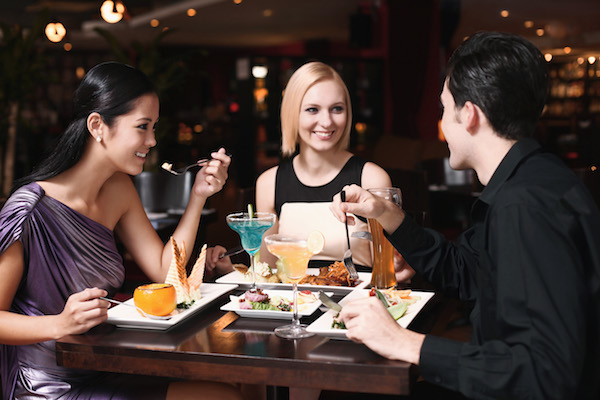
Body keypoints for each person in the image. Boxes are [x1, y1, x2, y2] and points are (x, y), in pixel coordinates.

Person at [330, 32, 600, 399]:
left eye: (444, 108)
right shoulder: (531, 180)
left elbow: (546, 374)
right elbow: (467, 271)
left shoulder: (526, 206)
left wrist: (407, 344)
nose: (442, 125)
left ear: (469, 114)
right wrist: (387, 215)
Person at [0, 62, 242, 400]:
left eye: (154, 127)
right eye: (142, 127)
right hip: (47, 385)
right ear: (97, 125)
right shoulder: (29, 209)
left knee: (225, 393)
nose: (152, 140)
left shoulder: (119, 188)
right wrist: (59, 324)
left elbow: (165, 272)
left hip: (108, 367)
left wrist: (198, 196)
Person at [253, 61, 391, 270]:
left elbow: (387, 271)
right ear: (292, 113)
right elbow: (267, 271)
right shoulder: (268, 183)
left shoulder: (372, 178)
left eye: (337, 109)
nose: (326, 122)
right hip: (293, 301)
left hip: (359, 300)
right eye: (312, 109)